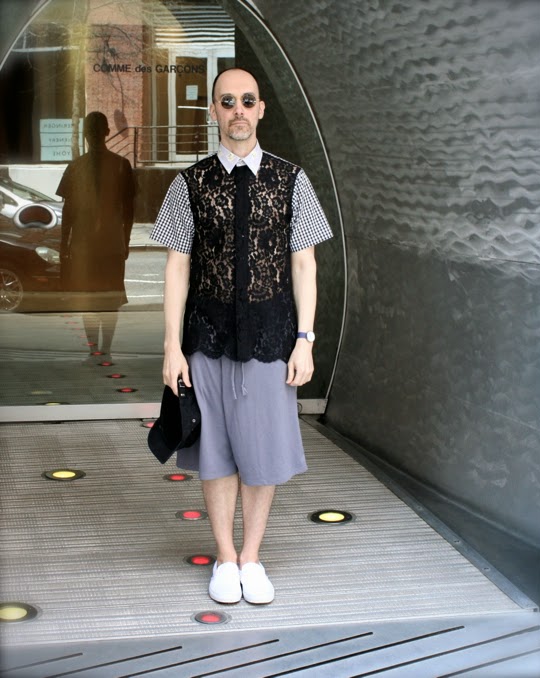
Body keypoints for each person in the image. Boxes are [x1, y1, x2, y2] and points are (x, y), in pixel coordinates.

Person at [151, 68, 332, 605]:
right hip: (205, 339)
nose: (238, 110)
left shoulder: (292, 180)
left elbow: (305, 265)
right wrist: (170, 346)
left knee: (262, 451)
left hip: (271, 338)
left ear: (261, 109)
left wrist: (305, 339)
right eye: (227, 101)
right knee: (215, 451)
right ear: (213, 111)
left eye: (247, 101)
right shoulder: (188, 183)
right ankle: (225, 559)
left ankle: (252, 557)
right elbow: (177, 267)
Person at [57, 111, 134, 357]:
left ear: (85, 135)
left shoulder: (76, 167)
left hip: (84, 246)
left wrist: (64, 244)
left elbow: (68, 211)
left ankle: (94, 350)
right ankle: (106, 348)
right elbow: (129, 210)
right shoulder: (121, 165)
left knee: (89, 299)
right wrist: (125, 240)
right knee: (110, 299)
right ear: (107, 132)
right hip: (111, 244)